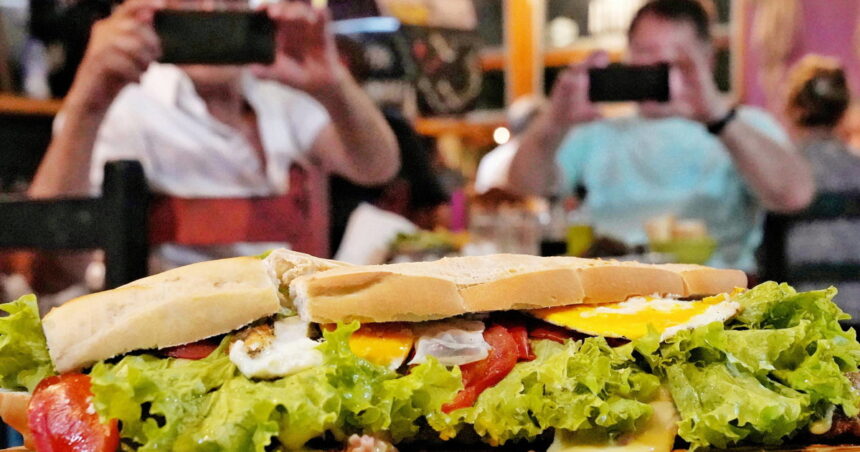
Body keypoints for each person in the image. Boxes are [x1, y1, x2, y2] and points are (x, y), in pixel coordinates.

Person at [28, 0, 400, 274]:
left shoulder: (278, 95)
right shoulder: (126, 108)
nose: (210, 8)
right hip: (168, 336)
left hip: (280, 329)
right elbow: (50, 271)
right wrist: (86, 105)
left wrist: (334, 85)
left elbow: (377, 168)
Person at [507, 0, 813, 272]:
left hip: (717, 295)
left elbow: (794, 195)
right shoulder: (599, 130)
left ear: (707, 61)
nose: (654, 67)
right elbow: (526, 184)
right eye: (643, 53)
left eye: (673, 58)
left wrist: (718, 117)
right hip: (615, 293)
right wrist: (553, 121)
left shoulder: (743, 125)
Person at [783, 55, 860, 315]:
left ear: (792, 107)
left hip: (801, 314)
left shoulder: (778, 172)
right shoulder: (855, 168)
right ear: (843, 109)